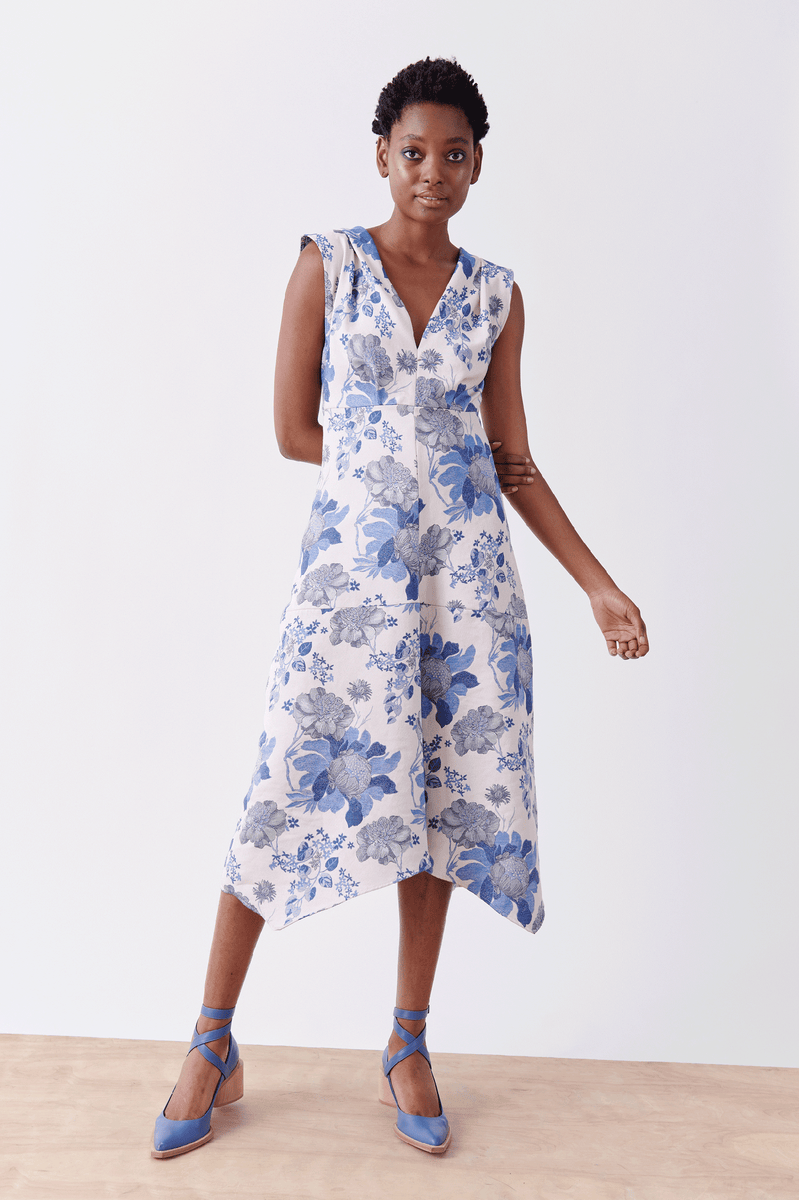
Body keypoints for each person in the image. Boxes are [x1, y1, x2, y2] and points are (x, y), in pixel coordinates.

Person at [151, 56, 648, 1160]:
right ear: (381, 154)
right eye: (413, 151)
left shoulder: (497, 296)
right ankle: (213, 1039)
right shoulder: (325, 266)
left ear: (478, 166)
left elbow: (513, 463)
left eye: (454, 154)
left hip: (468, 593)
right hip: (350, 593)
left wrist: (597, 582)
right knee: (280, 793)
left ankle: (406, 1043)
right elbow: (293, 430)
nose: (432, 172)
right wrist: (395, 476)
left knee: (438, 813)